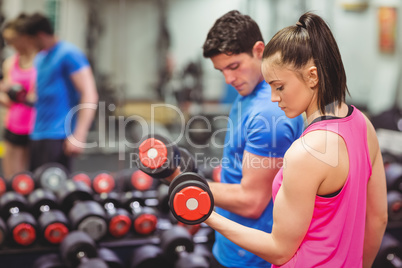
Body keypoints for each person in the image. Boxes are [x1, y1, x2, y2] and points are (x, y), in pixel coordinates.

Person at [203, 12, 388, 268]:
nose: (273, 97)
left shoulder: (305, 152)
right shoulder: (362, 124)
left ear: (313, 76)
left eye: (279, 86)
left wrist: (206, 213)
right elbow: (378, 218)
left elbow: (279, 250)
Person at [200, 10, 304, 268]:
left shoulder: (269, 111)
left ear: (260, 50)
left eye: (234, 66)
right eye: (221, 70)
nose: (228, 79)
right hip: (232, 244)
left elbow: (252, 202)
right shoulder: (248, 91)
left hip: (252, 256)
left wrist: (182, 183)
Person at [16, 13, 98, 172]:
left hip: (59, 135)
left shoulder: (69, 54)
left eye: (30, 41)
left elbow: (89, 93)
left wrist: (79, 135)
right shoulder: (40, 58)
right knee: (36, 191)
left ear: (39, 36)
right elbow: (36, 96)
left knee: (56, 192)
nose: (30, 46)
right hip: (38, 133)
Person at [0, 14, 37, 179]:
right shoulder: (10, 62)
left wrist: (24, 97)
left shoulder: (40, 62)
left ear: (24, 38)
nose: (10, 45)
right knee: (10, 177)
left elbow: (35, 97)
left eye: (12, 40)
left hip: (34, 126)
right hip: (12, 123)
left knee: (27, 177)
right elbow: (8, 99)